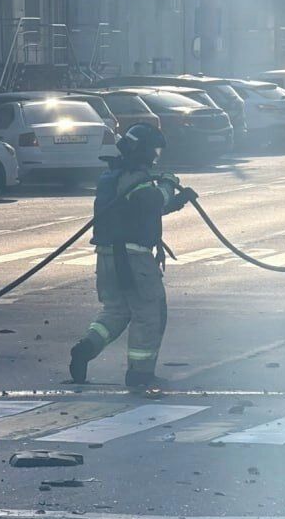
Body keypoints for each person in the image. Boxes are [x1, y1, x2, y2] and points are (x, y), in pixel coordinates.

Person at [68, 123, 196, 388]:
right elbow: (149, 202)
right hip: (133, 258)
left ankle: (86, 348)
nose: (155, 156)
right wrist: (169, 185)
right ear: (143, 150)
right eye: (154, 151)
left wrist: (177, 201)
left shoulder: (115, 176)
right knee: (149, 313)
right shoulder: (133, 176)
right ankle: (140, 373)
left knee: (117, 310)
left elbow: (139, 209)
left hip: (108, 256)